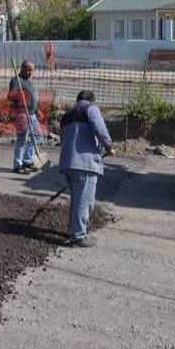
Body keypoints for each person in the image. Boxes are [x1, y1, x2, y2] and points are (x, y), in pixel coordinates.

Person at [58, 90, 115, 247]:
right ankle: (77, 236)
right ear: (91, 100)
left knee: (77, 200)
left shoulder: (66, 116)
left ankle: (74, 231)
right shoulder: (90, 109)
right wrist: (109, 146)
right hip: (85, 163)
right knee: (85, 201)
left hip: (67, 163)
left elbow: (63, 139)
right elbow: (100, 128)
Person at [9, 60, 41, 173]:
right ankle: (18, 165)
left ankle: (27, 160)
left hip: (32, 114)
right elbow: (10, 97)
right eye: (28, 70)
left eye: (32, 70)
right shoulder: (15, 81)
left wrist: (37, 110)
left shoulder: (28, 81)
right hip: (21, 114)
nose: (30, 72)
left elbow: (32, 98)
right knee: (22, 139)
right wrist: (18, 95)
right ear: (22, 68)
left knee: (37, 136)